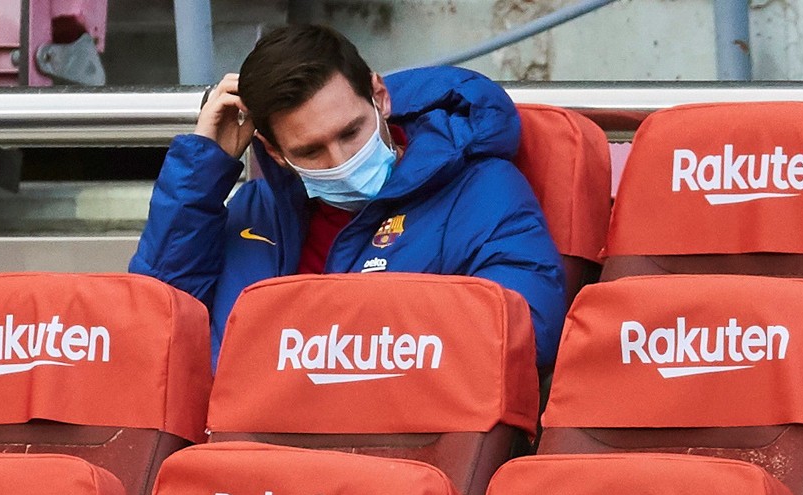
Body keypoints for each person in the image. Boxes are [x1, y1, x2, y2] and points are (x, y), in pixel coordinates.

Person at [129, 24, 566, 367]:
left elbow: (528, 333)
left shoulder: (481, 191)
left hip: (389, 460)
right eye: (310, 150)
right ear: (275, 153)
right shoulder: (252, 213)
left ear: (380, 97)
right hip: (238, 465)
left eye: (351, 132)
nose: (340, 160)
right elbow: (154, 337)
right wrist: (201, 178)